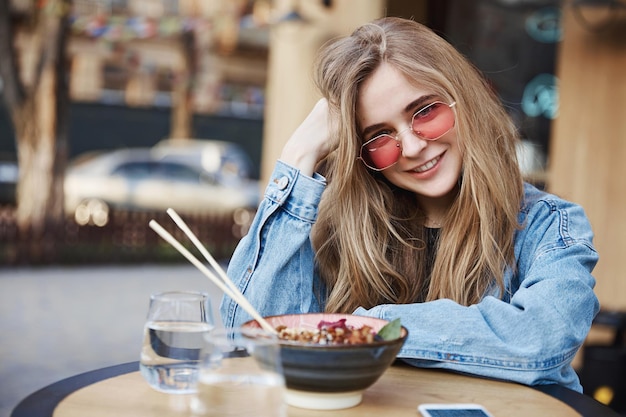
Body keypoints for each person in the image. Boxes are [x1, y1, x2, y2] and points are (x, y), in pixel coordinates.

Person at [220, 16, 599, 392]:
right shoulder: (337, 233)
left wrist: (369, 330)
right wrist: (299, 154)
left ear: (463, 100)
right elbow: (251, 338)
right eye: (380, 136)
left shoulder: (550, 225)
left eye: (425, 112)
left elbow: (542, 338)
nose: (414, 148)